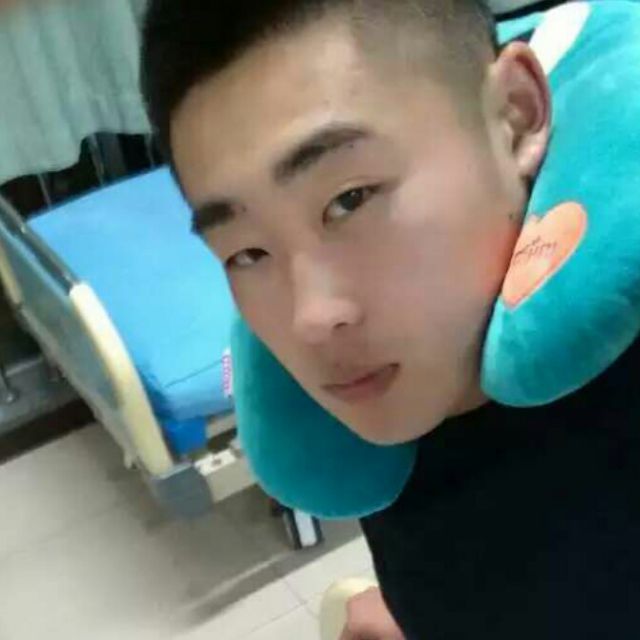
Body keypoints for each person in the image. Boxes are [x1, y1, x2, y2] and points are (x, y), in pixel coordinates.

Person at [141, 1, 640, 638]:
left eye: (349, 200)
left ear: (515, 115)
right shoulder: (385, 432)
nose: (311, 319)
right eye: (247, 253)